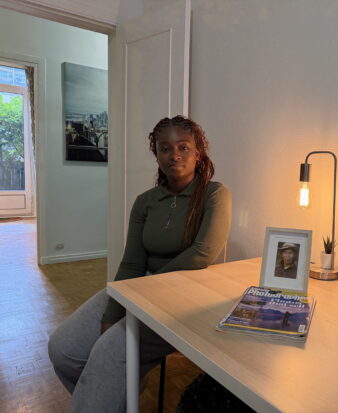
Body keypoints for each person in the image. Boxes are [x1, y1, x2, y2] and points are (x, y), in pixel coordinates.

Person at [48, 116, 232, 413]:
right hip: (137, 286)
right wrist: (113, 311)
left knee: (108, 355)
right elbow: (132, 261)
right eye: (165, 149)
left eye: (183, 147)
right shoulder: (145, 201)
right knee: (63, 348)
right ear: (156, 155)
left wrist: (142, 291)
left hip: (183, 297)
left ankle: (111, 392)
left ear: (198, 152)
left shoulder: (215, 194)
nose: (174, 155)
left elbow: (202, 253)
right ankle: (116, 396)